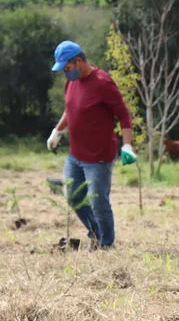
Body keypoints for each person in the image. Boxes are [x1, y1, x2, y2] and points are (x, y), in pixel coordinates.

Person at [47, 40, 137, 248]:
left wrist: (127, 145)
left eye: (67, 68)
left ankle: (106, 245)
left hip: (99, 157)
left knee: (98, 202)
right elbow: (70, 109)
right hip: (75, 155)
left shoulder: (103, 82)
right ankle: (96, 232)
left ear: (78, 61)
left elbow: (123, 115)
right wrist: (58, 131)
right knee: (73, 196)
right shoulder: (71, 82)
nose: (65, 73)